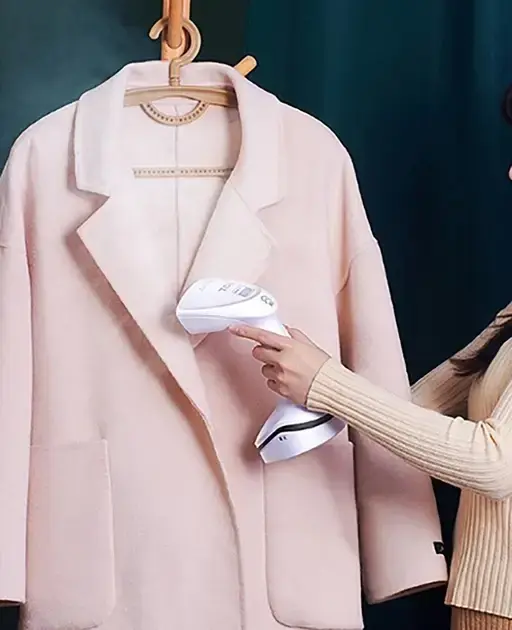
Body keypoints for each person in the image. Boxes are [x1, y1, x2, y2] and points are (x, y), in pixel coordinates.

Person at [230, 300, 512, 630]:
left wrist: (326, 382)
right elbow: (422, 405)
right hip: (487, 594)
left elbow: (495, 462)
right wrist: (321, 384)